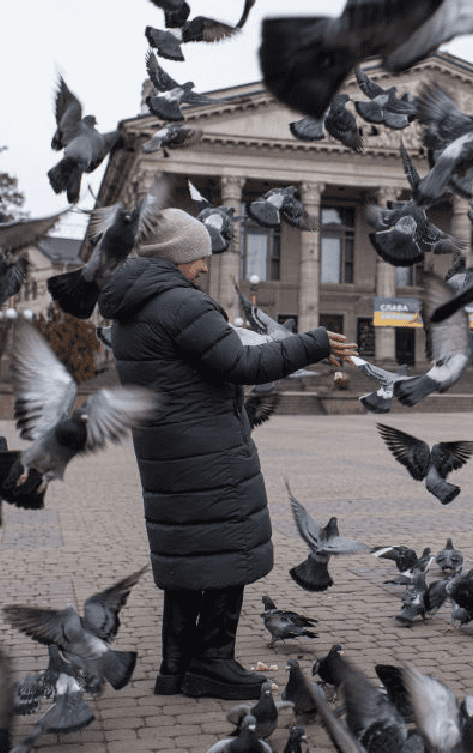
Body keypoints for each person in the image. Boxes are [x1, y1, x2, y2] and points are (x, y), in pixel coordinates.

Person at [97, 208, 356, 700]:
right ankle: (213, 664)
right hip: (207, 450)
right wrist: (314, 342)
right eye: (198, 257)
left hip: (167, 451)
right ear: (178, 257)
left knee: (188, 558)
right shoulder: (181, 304)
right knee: (226, 551)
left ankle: (177, 669)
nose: (204, 267)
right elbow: (242, 364)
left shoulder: (133, 308)